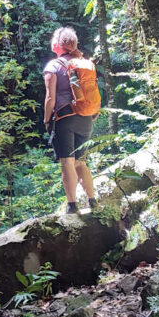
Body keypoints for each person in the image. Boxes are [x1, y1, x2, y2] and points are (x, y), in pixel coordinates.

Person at [42, 27, 98, 214]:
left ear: (59, 44)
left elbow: (50, 98)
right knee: (80, 162)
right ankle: (92, 201)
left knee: (67, 162)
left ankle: (72, 206)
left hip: (65, 119)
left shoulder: (54, 66)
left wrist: (47, 120)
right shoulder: (84, 63)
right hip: (86, 118)